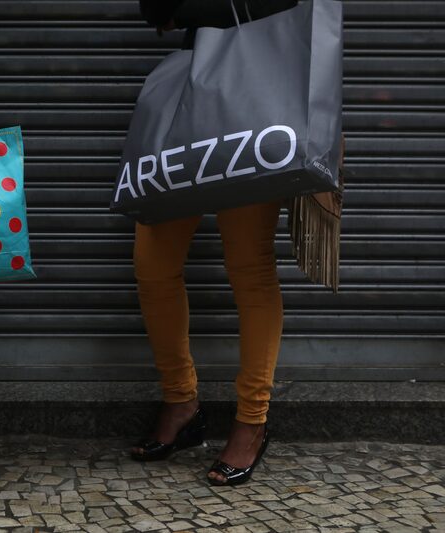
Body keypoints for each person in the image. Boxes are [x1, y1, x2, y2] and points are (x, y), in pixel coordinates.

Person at [131, 0, 299, 486]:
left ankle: (252, 419)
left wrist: (188, 8)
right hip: (191, 90)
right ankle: (181, 401)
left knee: (250, 267)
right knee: (153, 261)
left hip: (261, 96)